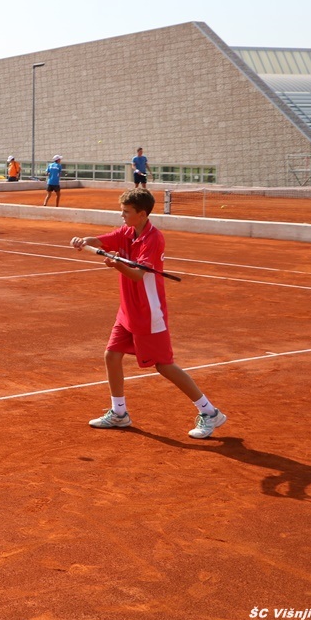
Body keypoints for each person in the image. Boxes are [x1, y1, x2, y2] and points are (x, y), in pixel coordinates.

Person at [70, 188, 227, 439]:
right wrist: (84, 241)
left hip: (148, 312)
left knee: (164, 366)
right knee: (112, 355)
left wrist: (115, 264)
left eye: (126, 212)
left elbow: (137, 275)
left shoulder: (154, 239)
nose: (121, 215)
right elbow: (103, 239)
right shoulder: (128, 232)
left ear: (141, 214)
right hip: (128, 311)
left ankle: (210, 412)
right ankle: (119, 413)